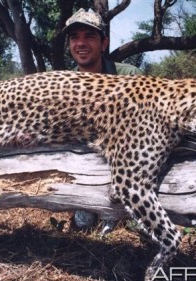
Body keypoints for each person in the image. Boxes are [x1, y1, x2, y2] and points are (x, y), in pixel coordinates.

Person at [62, 8, 142, 230]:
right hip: (83, 165)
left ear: (104, 43)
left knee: (139, 228)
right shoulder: (63, 85)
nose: (81, 43)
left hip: (125, 165)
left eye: (90, 36)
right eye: (75, 37)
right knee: (82, 227)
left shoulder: (130, 76)